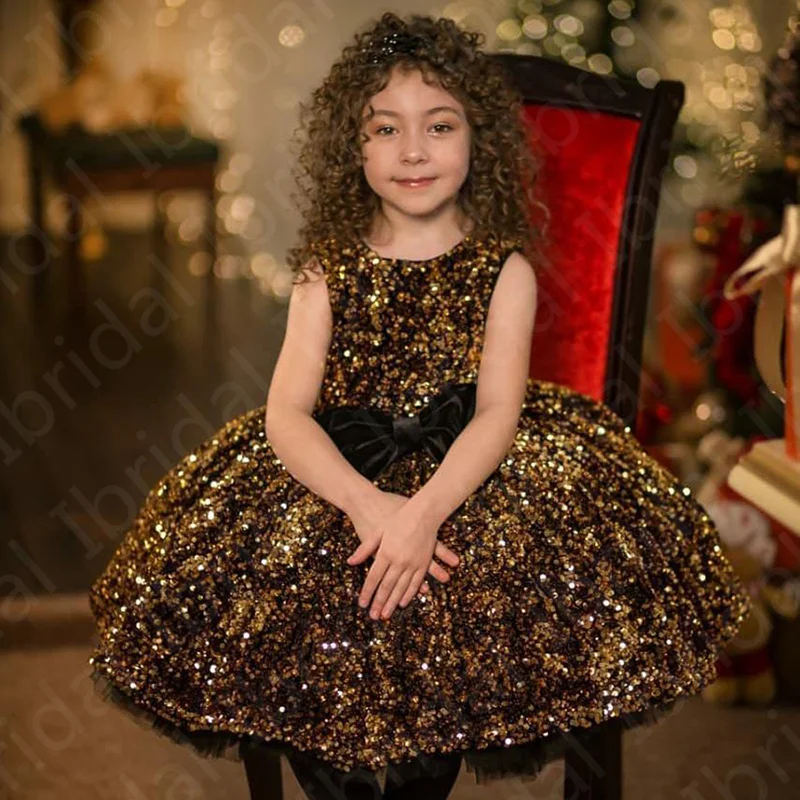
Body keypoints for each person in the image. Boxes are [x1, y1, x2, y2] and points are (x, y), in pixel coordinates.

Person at [87, 11, 752, 800]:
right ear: (352, 146)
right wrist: (370, 506)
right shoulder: (324, 270)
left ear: (479, 141)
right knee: (308, 601)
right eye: (385, 128)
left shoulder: (504, 271)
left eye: (439, 126)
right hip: (342, 475)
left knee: (447, 604)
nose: (412, 151)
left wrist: (424, 513)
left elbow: (498, 414)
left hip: (471, 470)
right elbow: (286, 417)